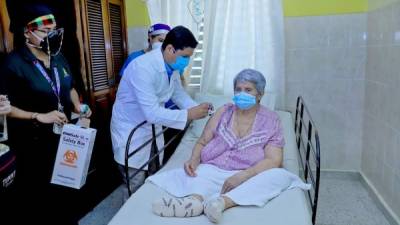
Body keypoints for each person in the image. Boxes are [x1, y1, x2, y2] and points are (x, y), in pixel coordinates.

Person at [147, 69, 310, 223]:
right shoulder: (223, 112)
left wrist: (243, 175)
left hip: (249, 173)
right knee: (198, 174)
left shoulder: (271, 120)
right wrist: (193, 159)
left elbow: (274, 159)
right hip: (213, 168)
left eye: (248, 90)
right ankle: (194, 202)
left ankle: (221, 203)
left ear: (259, 94)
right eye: (238, 89)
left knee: (279, 176)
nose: (241, 94)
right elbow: (203, 141)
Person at [0, 3, 91, 224]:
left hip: (65, 138)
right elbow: (4, 108)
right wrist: (37, 116)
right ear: (27, 32)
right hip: (34, 146)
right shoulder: (13, 64)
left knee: (68, 192)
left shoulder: (59, 57)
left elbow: (69, 86)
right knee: (44, 201)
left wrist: (78, 106)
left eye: (55, 31)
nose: (52, 36)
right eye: (45, 31)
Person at [111, 26, 211, 199]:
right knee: (135, 182)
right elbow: (151, 113)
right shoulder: (142, 67)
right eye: (185, 56)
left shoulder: (171, 66)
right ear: (171, 49)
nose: (187, 61)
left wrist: (197, 107)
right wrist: (189, 115)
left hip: (152, 128)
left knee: (153, 175)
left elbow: (178, 94)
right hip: (131, 131)